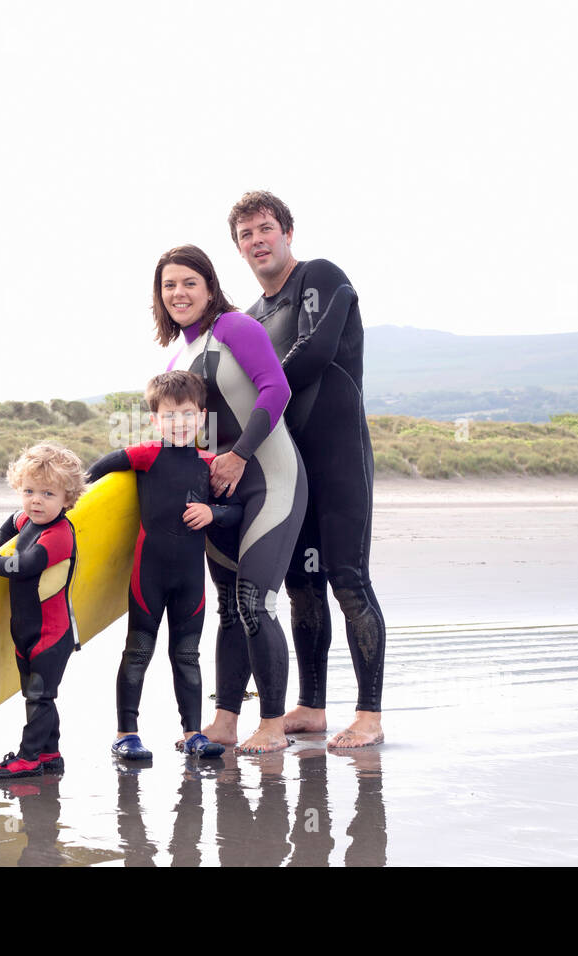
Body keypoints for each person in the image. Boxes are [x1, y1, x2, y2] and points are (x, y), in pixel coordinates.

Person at [227, 190, 387, 748]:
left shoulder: (319, 278)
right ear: (240, 248)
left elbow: (314, 353)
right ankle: (312, 705)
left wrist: (259, 403)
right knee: (302, 587)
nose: (258, 240)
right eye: (246, 235)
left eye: (266, 228)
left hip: (340, 459)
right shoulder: (250, 318)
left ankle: (369, 714)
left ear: (286, 232)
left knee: (349, 581)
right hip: (291, 470)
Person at [154, 244, 308, 755]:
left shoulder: (236, 328)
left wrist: (240, 454)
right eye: (169, 284)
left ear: (209, 286)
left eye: (189, 282)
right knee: (226, 608)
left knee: (254, 602)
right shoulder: (181, 354)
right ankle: (224, 721)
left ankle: (271, 724)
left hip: (269, 477)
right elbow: (192, 434)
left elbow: (275, 389)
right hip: (221, 489)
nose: (179, 293)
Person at [85, 370, 240, 761]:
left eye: (187, 415)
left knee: (187, 656)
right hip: (148, 577)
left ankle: (193, 733)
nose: (180, 423)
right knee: (137, 652)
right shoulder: (145, 455)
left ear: (202, 417)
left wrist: (212, 513)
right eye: (169, 416)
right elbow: (94, 472)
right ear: (155, 420)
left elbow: (237, 510)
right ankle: (127, 734)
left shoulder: (210, 464)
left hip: (190, 580)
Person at [0, 443, 85, 779]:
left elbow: (25, 565)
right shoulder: (29, 520)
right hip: (26, 631)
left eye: (48, 493)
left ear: (67, 499)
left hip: (51, 636)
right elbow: (10, 523)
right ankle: (50, 754)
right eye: (29, 491)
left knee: (39, 697)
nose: (36, 500)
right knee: (39, 696)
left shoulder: (59, 534)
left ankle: (28, 758)